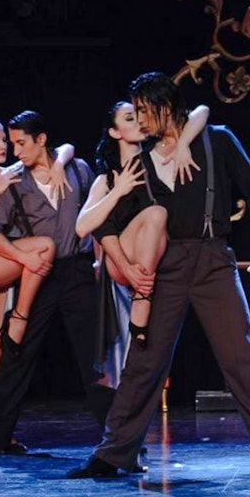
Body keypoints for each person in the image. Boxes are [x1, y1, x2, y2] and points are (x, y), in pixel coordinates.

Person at [68, 72, 250, 478]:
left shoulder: (215, 140)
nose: (143, 120)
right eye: (138, 113)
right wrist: (129, 267)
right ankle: (111, 454)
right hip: (166, 267)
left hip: (213, 259)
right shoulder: (142, 162)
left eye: (148, 111)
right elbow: (106, 224)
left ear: (167, 106)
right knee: (144, 363)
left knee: (241, 359)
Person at [0, 111, 111, 456]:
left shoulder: (79, 169)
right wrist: (21, 256)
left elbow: (97, 216)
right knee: (18, 353)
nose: (16, 152)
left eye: (21, 143)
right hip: (39, 272)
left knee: (93, 356)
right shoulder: (14, 182)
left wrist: (101, 260)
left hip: (77, 270)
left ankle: (118, 436)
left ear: (42, 140)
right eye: (11, 144)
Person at [0, 118, 75, 394]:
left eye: (5, 141)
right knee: (43, 247)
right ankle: (20, 317)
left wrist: (58, 165)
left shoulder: (14, 172)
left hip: (15, 254)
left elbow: (67, 147)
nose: (3, 146)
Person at [76, 101, 208, 347]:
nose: (137, 121)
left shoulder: (158, 160)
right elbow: (82, 227)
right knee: (156, 212)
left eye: (139, 115)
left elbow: (201, 111)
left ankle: (143, 294)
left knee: (158, 215)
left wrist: (183, 144)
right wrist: (118, 191)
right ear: (115, 132)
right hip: (121, 261)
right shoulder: (108, 178)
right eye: (128, 118)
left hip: (157, 258)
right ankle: (142, 297)